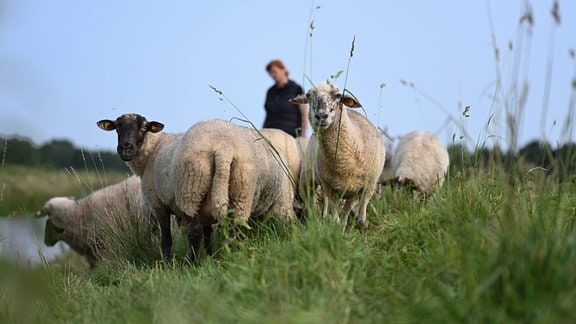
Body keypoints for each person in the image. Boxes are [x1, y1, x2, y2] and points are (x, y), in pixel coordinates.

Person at [263, 59, 308, 138]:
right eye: (270, 73)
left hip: (290, 137)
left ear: (283, 70)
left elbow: (304, 113)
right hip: (270, 135)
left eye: (274, 71)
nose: (273, 75)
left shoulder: (296, 89)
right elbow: (267, 115)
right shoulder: (270, 92)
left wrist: (303, 136)